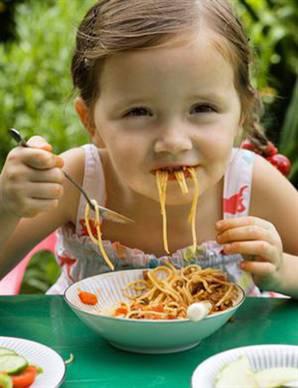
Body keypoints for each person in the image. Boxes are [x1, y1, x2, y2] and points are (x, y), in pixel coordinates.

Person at [0, 0, 297, 297]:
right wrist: (7, 206)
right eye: (138, 112)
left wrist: (283, 272)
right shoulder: (78, 182)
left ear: (241, 114)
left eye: (202, 108)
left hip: (235, 344)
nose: (173, 142)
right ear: (91, 123)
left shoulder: (250, 184)